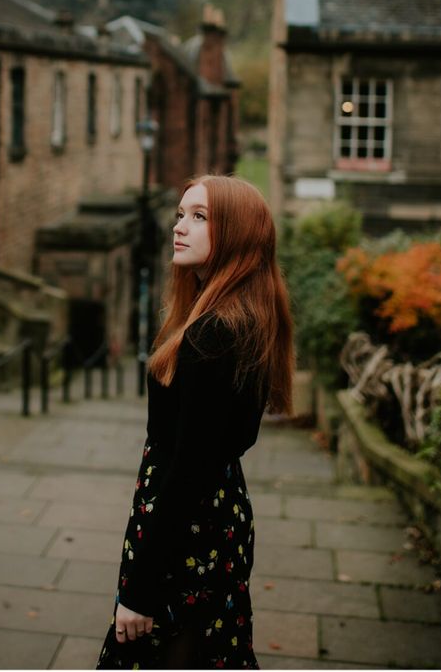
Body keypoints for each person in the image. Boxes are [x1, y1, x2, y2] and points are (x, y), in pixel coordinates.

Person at [96, 174, 294, 670]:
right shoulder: (240, 317)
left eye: (200, 217)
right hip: (214, 519)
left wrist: (140, 590)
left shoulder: (214, 334)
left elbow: (188, 471)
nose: (180, 227)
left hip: (188, 532)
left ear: (237, 234)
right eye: (181, 214)